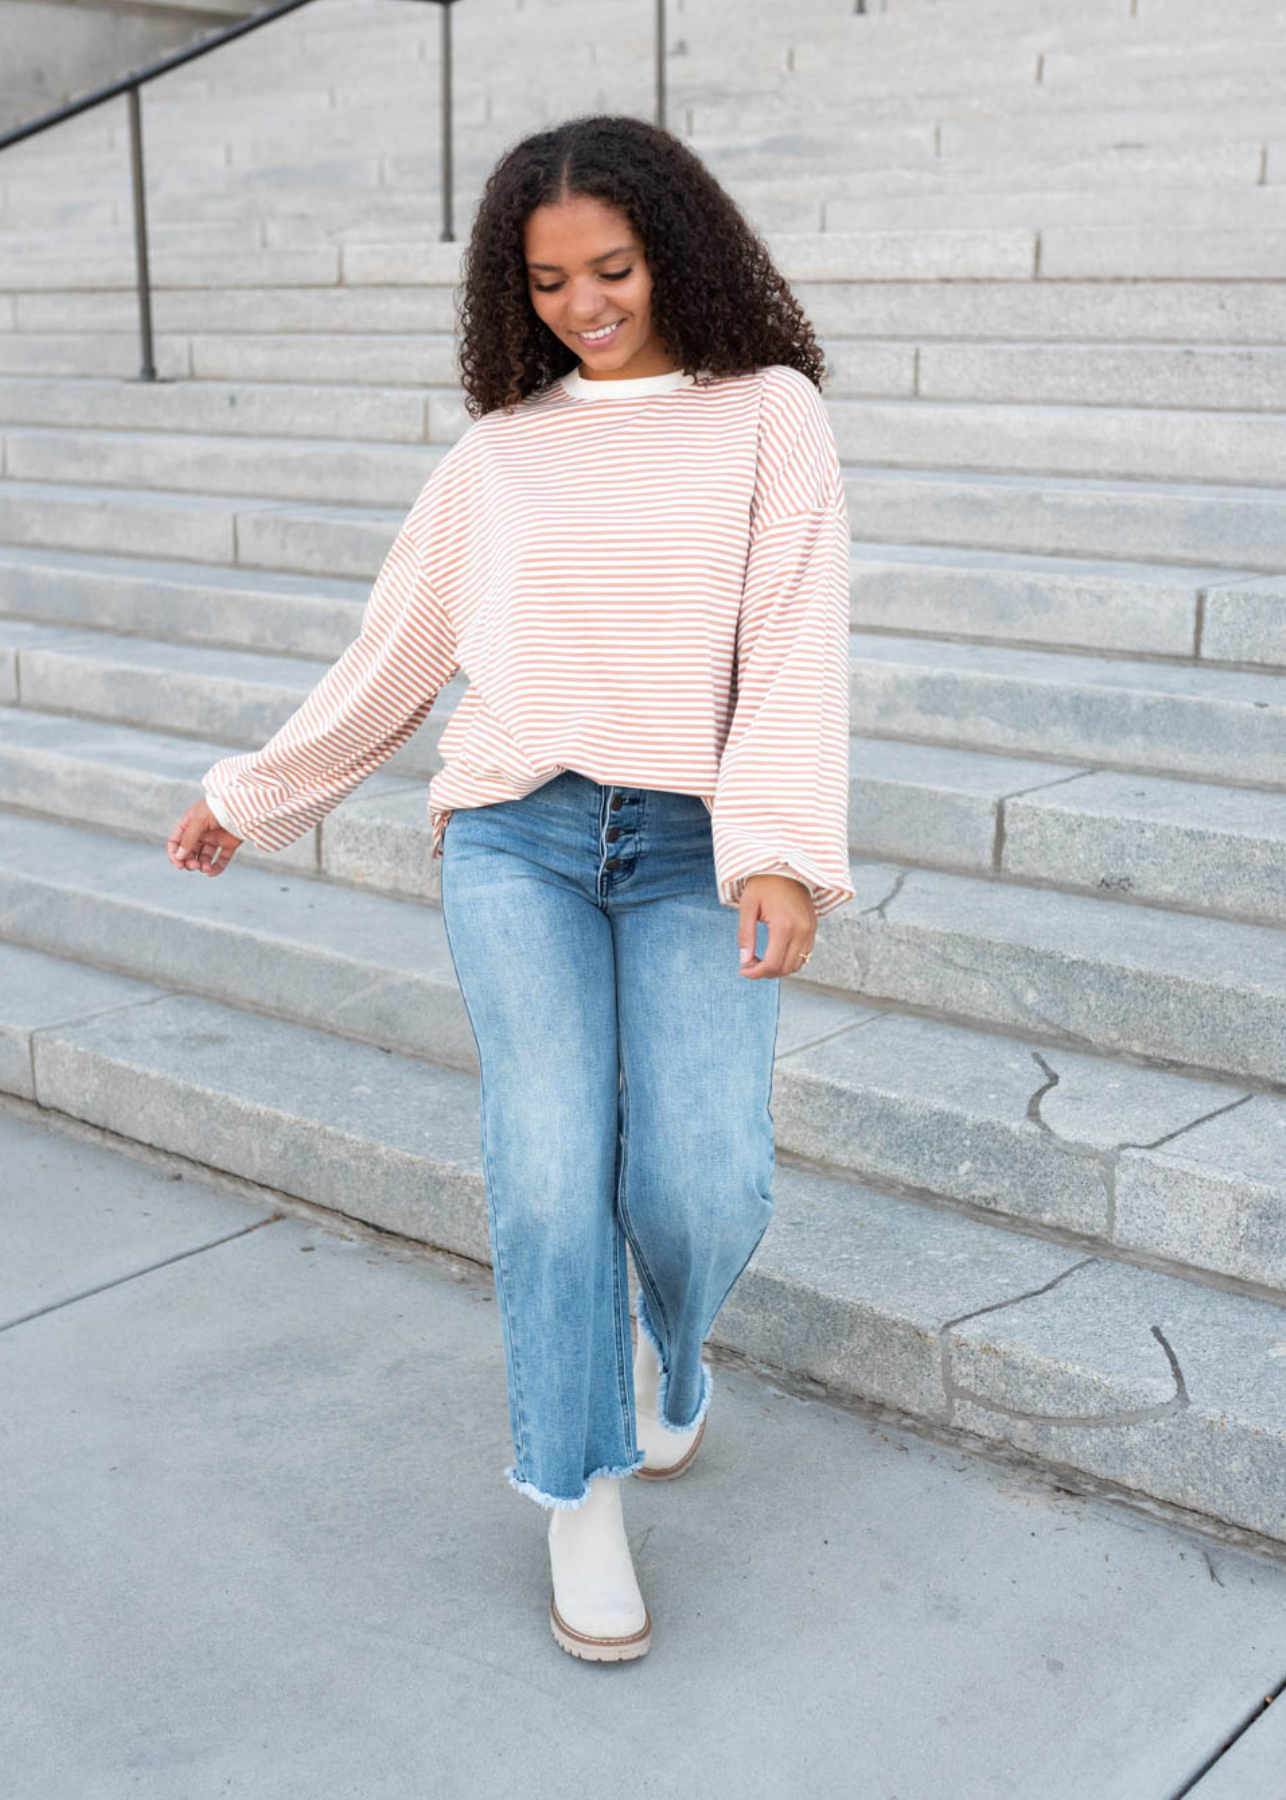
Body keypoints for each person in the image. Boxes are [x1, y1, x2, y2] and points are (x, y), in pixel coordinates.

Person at [166, 112, 855, 1664]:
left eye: (609, 268)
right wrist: (251, 794)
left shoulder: (768, 416)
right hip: (517, 840)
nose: (583, 304)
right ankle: (578, 1488)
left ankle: (672, 1362)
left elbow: (797, 641)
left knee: (704, 1182)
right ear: (512, 286)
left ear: (672, 252)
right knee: (548, 1174)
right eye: (546, 281)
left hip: (698, 846)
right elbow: (400, 652)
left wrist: (779, 850)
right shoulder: (500, 453)